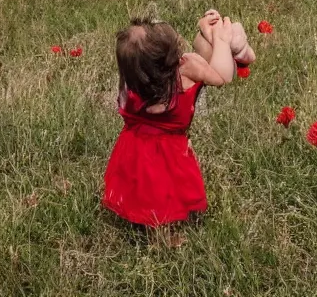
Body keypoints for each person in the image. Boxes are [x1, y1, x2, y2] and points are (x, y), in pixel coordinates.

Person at [102, 12, 254, 227]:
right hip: (170, 149)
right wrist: (219, 40)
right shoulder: (188, 69)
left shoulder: (134, 80)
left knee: (145, 188)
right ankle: (164, 235)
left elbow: (204, 57)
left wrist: (204, 34)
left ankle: (147, 222)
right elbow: (222, 76)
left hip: (135, 146)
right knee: (166, 190)